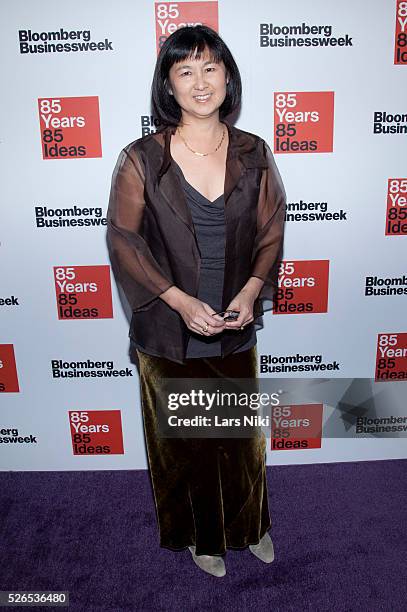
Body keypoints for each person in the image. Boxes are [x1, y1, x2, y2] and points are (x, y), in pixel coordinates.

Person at [107, 24, 286, 578]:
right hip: (168, 327)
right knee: (185, 442)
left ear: (227, 78)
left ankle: (249, 525)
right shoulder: (141, 158)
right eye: (185, 70)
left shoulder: (254, 152)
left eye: (211, 67)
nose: (200, 81)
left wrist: (253, 290)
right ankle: (200, 536)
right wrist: (179, 300)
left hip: (234, 318)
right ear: (168, 84)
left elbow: (271, 229)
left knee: (239, 437)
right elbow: (123, 239)